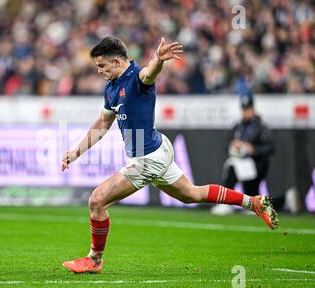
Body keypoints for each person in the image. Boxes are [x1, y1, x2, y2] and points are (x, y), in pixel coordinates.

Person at [61, 36, 279, 274]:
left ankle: (95, 259)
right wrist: (76, 152)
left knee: (97, 200)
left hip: (148, 160)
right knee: (191, 194)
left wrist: (158, 59)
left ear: (116, 61)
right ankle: (253, 202)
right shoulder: (112, 88)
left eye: (102, 66)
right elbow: (103, 122)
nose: (99, 71)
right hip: (157, 148)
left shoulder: (136, 77)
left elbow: (150, 73)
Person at [211, 95, 275, 216]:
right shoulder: (238, 126)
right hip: (240, 160)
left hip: (256, 162)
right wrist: (233, 145)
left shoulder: (260, 127)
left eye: (248, 110)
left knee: (248, 184)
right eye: (243, 110)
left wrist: (253, 149)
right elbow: (226, 142)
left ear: (252, 109)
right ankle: (226, 202)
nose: (245, 113)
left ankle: (253, 203)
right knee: (231, 168)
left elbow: (270, 147)